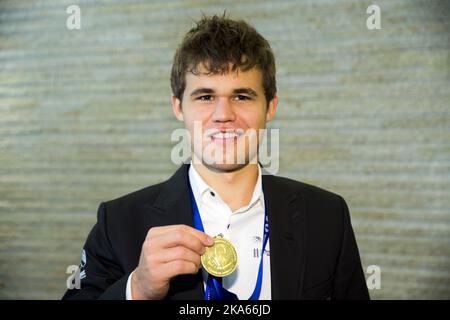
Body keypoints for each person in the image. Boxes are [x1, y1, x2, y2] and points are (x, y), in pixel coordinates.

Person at [62, 13, 369, 300]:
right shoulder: (117, 222)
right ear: (178, 107)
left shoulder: (327, 216)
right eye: (206, 96)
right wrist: (138, 288)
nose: (224, 115)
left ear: (271, 106)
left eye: (242, 96)